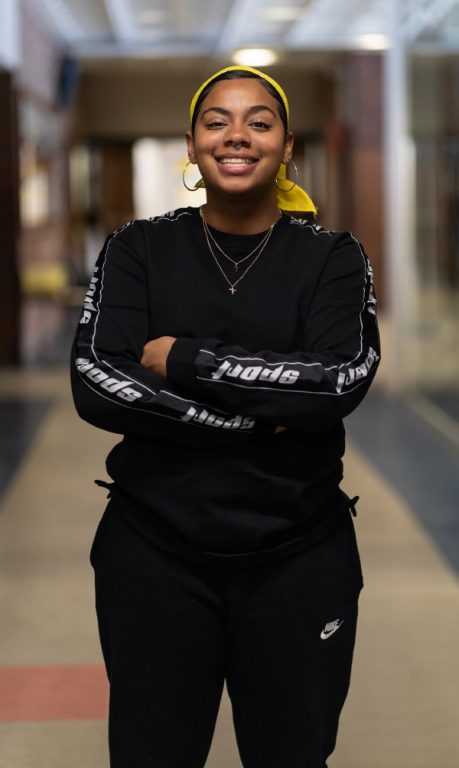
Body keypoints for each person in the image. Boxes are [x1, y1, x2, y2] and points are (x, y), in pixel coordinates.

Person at [71, 65, 380, 768]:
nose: (236, 135)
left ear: (286, 146)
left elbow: (335, 383)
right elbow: (96, 381)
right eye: (216, 121)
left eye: (258, 121)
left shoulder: (332, 258)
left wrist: (184, 361)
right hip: (154, 556)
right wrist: (256, 416)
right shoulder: (137, 250)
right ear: (191, 143)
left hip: (297, 559)